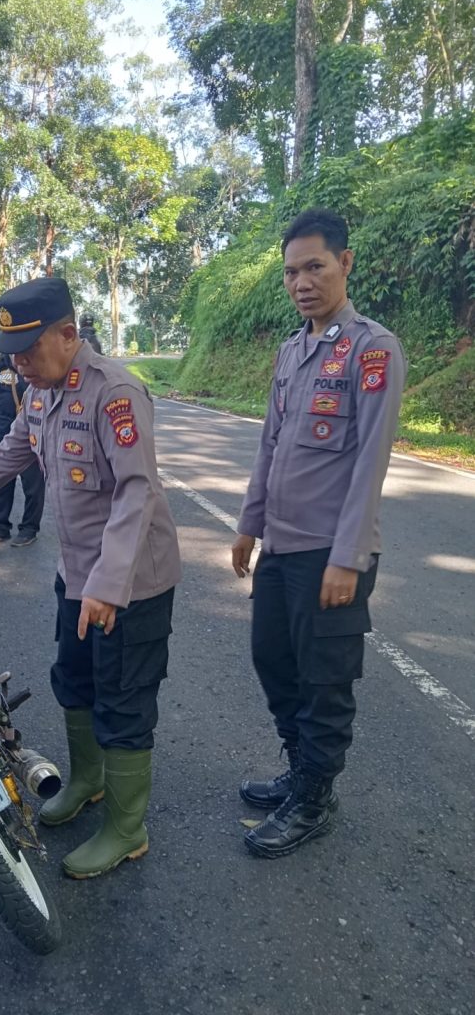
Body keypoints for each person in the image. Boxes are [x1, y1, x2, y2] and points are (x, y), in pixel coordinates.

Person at [0, 277, 181, 879]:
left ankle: (127, 827)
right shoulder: (39, 393)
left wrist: (110, 584)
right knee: (75, 680)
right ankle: (87, 781)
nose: (18, 362)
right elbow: (8, 455)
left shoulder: (115, 393)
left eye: (28, 349)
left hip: (130, 582)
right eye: (11, 352)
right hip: (77, 575)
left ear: (68, 333)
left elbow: (138, 490)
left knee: (124, 701)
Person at [231, 208, 406, 858]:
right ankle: (300, 769)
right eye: (290, 272)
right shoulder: (292, 351)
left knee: (324, 680)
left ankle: (314, 798)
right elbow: (269, 445)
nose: (301, 282)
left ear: (345, 263)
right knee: (271, 659)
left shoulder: (372, 349)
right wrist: (248, 525)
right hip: (280, 544)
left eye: (314, 266)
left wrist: (347, 555)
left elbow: (370, 459)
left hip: (331, 555)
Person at [0, 353, 45, 547]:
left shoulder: (34, 364)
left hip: (29, 432)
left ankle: (29, 529)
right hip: (2, 430)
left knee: (32, 486)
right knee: (0, 483)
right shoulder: (1, 365)